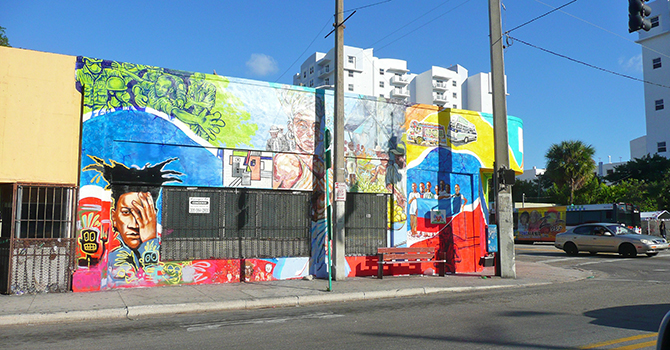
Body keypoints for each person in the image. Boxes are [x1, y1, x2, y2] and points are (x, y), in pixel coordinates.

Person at [84, 156, 182, 282]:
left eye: (142, 213)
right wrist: (149, 244)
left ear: (154, 215)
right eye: (126, 212)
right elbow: (149, 279)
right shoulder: (115, 258)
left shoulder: (169, 251)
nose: (134, 224)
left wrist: (149, 241)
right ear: (114, 217)